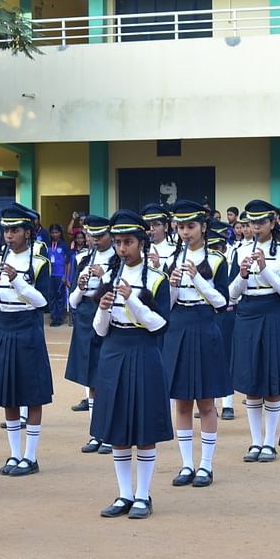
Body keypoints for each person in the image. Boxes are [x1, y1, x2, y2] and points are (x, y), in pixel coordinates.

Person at [92, 209, 172, 520]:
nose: (122, 249)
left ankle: (143, 494)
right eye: (118, 243)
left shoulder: (157, 278)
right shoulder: (109, 276)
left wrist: (132, 300)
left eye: (128, 242)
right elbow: (99, 330)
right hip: (114, 351)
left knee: (144, 425)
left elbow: (159, 325)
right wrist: (102, 308)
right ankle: (124, 493)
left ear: (142, 243)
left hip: (144, 350)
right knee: (118, 425)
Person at [162, 200, 229, 489]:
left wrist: (198, 279)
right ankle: (187, 463)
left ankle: (206, 465)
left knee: (207, 401)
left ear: (203, 227)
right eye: (180, 227)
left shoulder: (216, 259)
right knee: (182, 401)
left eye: (191, 226)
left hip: (205, 325)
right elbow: (165, 304)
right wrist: (173, 285)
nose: (185, 232)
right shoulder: (171, 260)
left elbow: (222, 301)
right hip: (178, 328)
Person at [0, 204, 53, 477]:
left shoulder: (39, 263)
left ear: (28, 232)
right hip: (5, 327)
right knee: (9, 396)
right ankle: (14, 454)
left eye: (15, 230)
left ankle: (30, 456)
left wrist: (17, 281)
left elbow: (43, 301)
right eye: (6, 230)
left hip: (28, 327)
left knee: (32, 394)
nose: (9, 235)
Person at [229, 199, 280, 463]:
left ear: (272, 223)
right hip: (247, 313)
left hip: (274, 312)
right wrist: (243, 274)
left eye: (261, 222)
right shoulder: (238, 251)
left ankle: (269, 442)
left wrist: (266, 270)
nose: (255, 228)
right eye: (252, 223)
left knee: (272, 379)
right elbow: (231, 294)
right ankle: (255, 441)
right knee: (252, 380)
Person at [67, 216, 117, 450]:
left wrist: (103, 276)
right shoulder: (82, 258)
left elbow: (118, 288)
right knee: (90, 378)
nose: (95, 241)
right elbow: (73, 301)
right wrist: (80, 285)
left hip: (107, 314)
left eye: (100, 236)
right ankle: (95, 432)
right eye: (92, 236)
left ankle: (109, 433)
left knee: (106, 377)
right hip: (86, 317)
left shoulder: (119, 259)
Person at [206, 220, 238, 420]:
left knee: (226, 357)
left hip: (226, 312)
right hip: (208, 314)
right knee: (209, 359)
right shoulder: (205, 260)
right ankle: (211, 403)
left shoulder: (229, 258)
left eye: (218, 246)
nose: (215, 249)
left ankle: (228, 403)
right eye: (211, 246)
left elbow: (232, 290)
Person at [45, 224, 69, 327]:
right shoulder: (47, 244)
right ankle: (54, 317)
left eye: (57, 232)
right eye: (53, 232)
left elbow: (68, 262)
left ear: (60, 233)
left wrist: (65, 276)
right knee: (51, 296)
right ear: (50, 233)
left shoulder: (64, 245)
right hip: (50, 275)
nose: (55, 234)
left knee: (60, 296)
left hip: (60, 274)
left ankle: (59, 318)